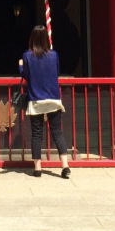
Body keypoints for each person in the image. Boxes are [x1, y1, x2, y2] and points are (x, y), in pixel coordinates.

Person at [18, 25, 70, 178]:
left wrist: (20, 66)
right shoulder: (54, 55)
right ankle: (65, 166)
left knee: (37, 134)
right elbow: (56, 71)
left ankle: (38, 168)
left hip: (36, 99)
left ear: (32, 39)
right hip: (53, 98)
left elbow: (26, 75)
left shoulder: (27, 56)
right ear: (46, 39)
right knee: (57, 132)